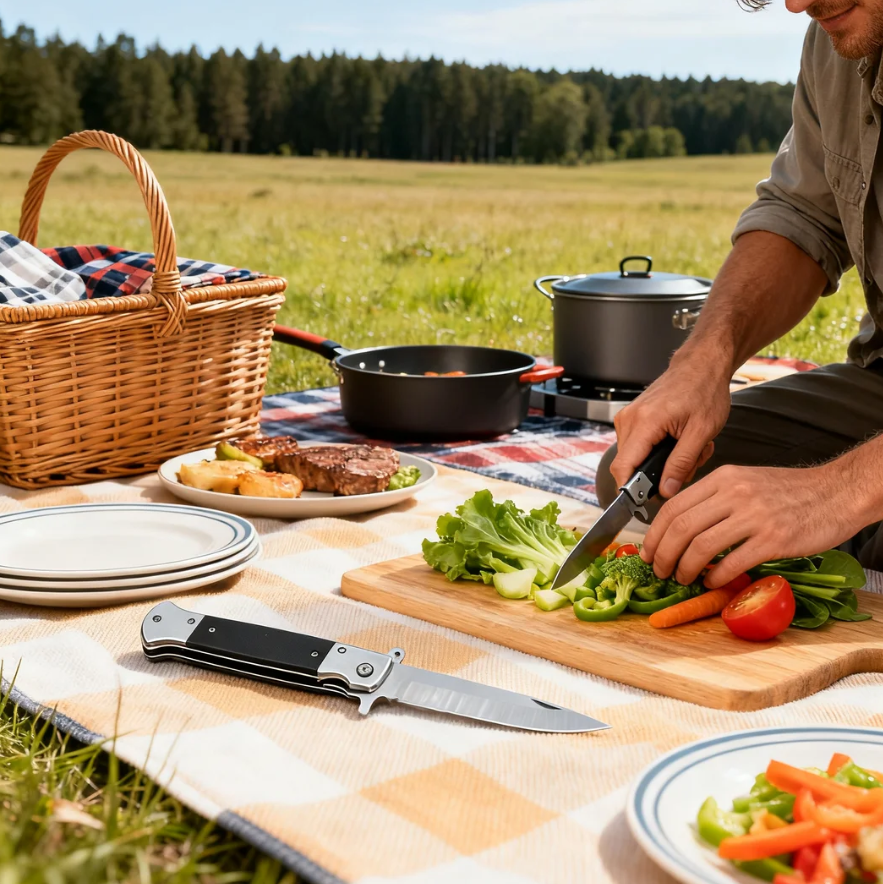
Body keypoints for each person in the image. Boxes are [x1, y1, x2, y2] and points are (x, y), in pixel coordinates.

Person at [595, 0, 883, 589]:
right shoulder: (836, 39)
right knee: (655, 480)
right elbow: (802, 217)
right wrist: (705, 360)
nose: (799, 3)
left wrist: (834, 494)